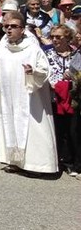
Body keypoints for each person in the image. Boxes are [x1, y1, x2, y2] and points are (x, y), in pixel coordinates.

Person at [0, 11, 58, 175]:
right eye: (6, 26)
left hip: (30, 98)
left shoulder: (32, 48)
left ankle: (38, 165)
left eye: (13, 26)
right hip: (9, 98)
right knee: (10, 125)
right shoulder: (2, 47)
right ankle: (16, 161)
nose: (8, 29)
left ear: (22, 29)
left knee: (34, 129)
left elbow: (44, 71)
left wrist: (32, 72)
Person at [44, 24, 79, 176]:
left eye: (59, 37)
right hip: (54, 96)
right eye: (52, 37)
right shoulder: (46, 53)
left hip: (73, 97)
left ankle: (74, 161)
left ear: (67, 37)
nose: (55, 40)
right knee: (58, 129)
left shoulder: (75, 53)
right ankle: (60, 160)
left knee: (74, 130)